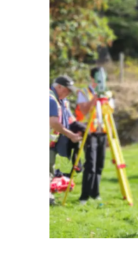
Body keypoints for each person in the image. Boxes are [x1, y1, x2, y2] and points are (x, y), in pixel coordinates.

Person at [74, 67, 110, 205]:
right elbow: (83, 110)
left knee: (100, 164)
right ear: (92, 78)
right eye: (98, 78)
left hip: (102, 132)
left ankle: (95, 193)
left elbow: (109, 112)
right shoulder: (83, 92)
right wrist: (95, 98)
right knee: (90, 164)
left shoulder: (107, 93)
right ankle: (84, 196)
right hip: (89, 132)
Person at [50, 76, 81, 206]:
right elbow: (53, 123)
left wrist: (82, 129)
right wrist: (70, 135)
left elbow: (70, 119)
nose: (69, 93)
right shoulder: (50, 100)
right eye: (67, 90)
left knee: (50, 170)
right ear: (59, 87)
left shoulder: (63, 101)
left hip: (52, 142)